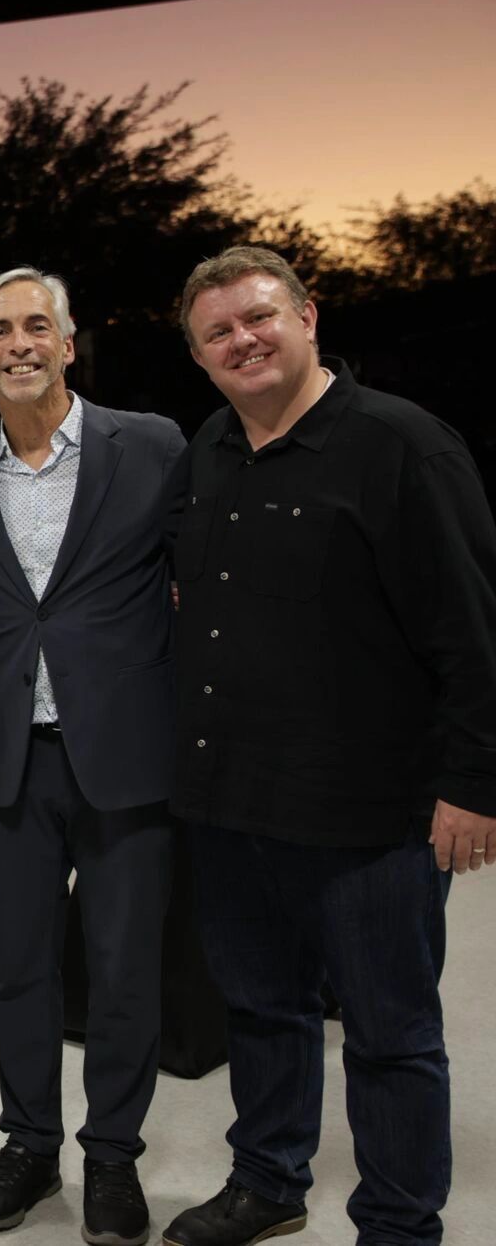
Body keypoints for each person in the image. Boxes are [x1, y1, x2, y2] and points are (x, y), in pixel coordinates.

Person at [159, 247, 496, 1246]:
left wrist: (474, 782)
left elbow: (472, 631)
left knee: (389, 1032)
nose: (242, 340)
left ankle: (397, 1223)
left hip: (370, 813)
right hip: (231, 799)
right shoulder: (208, 448)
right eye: (217, 332)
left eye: (258, 317)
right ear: (198, 356)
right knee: (261, 1009)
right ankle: (267, 1180)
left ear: (307, 318)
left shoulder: (402, 446)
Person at [0, 267, 187, 1246]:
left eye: (36, 325)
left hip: (126, 754)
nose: (19, 344)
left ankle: (112, 1155)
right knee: (21, 970)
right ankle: (30, 1145)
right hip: (11, 757)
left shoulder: (151, 445)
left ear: (69, 344)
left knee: (123, 970)